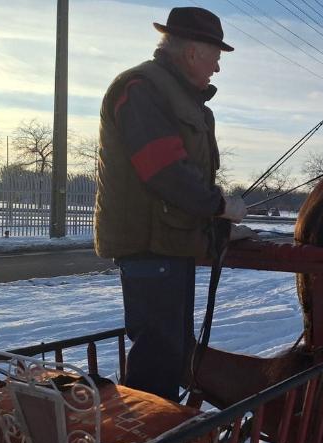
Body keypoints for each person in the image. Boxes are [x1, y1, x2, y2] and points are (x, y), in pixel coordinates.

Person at [94, 6, 250, 401]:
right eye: (216, 57)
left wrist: (218, 225)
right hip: (150, 248)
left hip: (170, 244)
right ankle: (146, 434)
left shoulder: (179, 96)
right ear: (194, 51)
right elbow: (164, 170)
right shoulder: (142, 89)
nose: (217, 68)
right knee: (158, 358)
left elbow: (182, 175)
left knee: (174, 351)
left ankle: (159, 428)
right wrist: (220, 205)